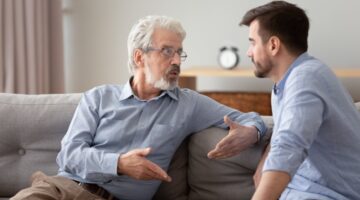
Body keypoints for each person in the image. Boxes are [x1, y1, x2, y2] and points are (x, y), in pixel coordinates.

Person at [11, 15, 266, 200]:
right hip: (62, 189)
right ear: (139, 56)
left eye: (179, 52)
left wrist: (252, 131)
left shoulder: (188, 104)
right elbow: (69, 156)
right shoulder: (99, 97)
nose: (176, 60)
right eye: (167, 51)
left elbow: (253, 119)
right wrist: (119, 163)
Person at [239, 1, 360, 200]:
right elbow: (284, 134)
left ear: (273, 45)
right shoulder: (284, 84)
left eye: (252, 42)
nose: (248, 52)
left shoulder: (307, 77)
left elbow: (289, 145)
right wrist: (263, 165)